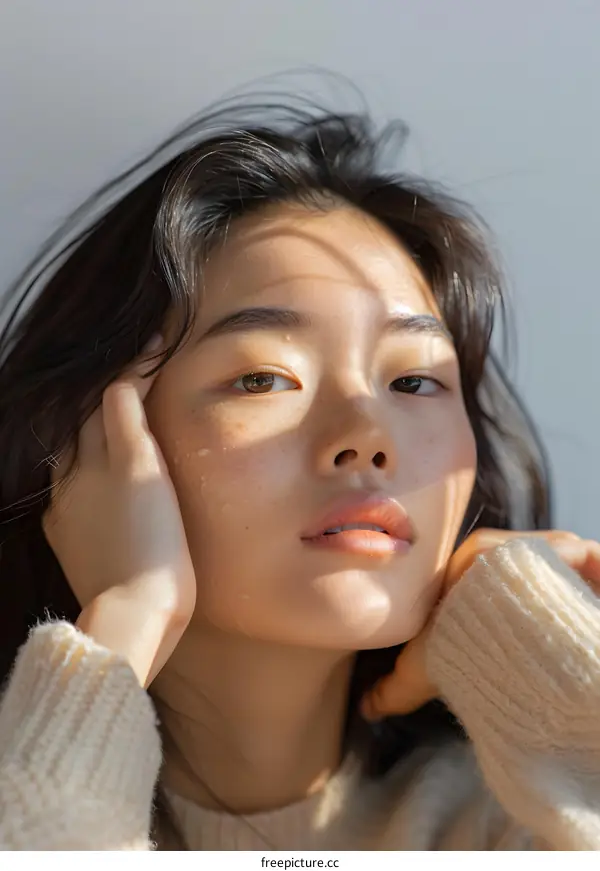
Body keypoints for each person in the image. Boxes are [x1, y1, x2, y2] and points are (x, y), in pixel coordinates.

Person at [0, 99, 599, 852]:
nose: (367, 439)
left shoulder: (513, 827)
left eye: (414, 382)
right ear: (99, 443)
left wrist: (552, 650)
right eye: (263, 378)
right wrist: (123, 621)